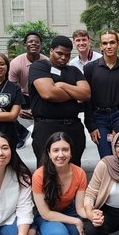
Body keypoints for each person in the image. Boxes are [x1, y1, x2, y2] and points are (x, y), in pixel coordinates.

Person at [32, 132, 89, 235]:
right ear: (49, 153)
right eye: (56, 150)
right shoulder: (39, 175)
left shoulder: (80, 173)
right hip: (47, 215)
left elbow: (80, 208)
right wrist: (77, 221)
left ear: (71, 152)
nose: (60, 155)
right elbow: (45, 213)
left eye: (65, 150)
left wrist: (91, 214)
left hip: (69, 211)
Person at [28, 35, 91, 166]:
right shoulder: (39, 66)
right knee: (47, 170)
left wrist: (63, 85)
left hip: (72, 128)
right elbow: (48, 93)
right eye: (59, 53)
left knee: (73, 169)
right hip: (46, 127)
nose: (63, 58)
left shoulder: (74, 71)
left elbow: (86, 94)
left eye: (67, 55)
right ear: (51, 50)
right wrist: (74, 93)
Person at [84, 30, 119, 158]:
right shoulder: (90, 68)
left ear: (118, 44)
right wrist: (91, 125)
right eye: (105, 43)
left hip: (118, 116)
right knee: (106, 157)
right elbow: (87, 98)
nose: (109, 46)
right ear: (100, 46)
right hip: (99, 118)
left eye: (112, 42)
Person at [8, 31, 48, 147]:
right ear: (25, 45)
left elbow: (50, 87)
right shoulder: (16, 63)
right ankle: (21, 133)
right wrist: (18, 109)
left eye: (37, 42)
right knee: (6, 110)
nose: (33, 44)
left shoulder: (47, 62)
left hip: (41, 95)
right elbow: (12, 88)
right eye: (30, 41)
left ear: (40, 45)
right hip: (22, 95)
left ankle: (42, 138)